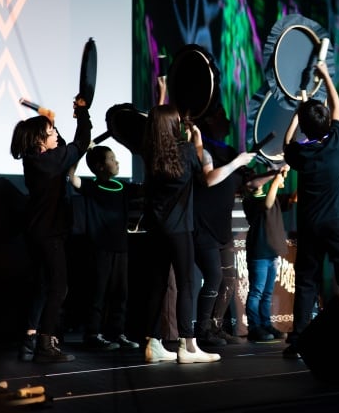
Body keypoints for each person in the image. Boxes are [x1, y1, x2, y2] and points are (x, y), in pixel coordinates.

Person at [282, 58, 339, 359]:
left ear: (305, 127)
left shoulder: (301, 154)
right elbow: (337, 105)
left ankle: (298, 340)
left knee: (306, 281)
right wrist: (326, 75)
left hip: (311, 225)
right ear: (328, 123)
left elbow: (287, 143)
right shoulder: (337, 141)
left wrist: (297, 114)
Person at [140, 104, 230, 364]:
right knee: (186, 284)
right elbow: (204, 179)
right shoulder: (187, 151)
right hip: (179, 230)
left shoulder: (150, 152)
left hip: (155, 229)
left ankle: (152, 344)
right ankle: (187, 345)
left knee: (158, 285)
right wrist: (197, 143)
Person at [10, 95, 92, 363]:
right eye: (51, 132)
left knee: (44, 286)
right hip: (49, 233)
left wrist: (52, 122)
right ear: (39, 141)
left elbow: (65, 148)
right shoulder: (48, 162)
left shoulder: (38, 160)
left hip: (37, 231)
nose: (55, 134)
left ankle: (29, 340)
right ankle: (45, 344)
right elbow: (79, 144)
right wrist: (82, 113)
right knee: (59, 287)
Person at [193, 105, 257, 348]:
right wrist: (237, 162)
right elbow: (209, 179)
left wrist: (273, 172)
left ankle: (216, 327)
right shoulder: (204, 150)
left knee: (229, 279)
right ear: (210, 120)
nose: (228, 120)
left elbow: (248, 185)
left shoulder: (228, 151)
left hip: (222, 228)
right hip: (203, 225)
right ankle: (202, 330)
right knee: (213, 277)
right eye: (221, 116)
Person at [68, 145, 141, 351]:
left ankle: (117, 333)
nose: (116, 162)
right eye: (111, 158)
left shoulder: (122, 187)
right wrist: (81, 150)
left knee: (121, 294)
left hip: (121, 248)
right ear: (100, 166)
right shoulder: (92, 187)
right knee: (98, 293)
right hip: (99, 248)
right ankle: (92, 334)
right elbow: (71, 177)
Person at [242, 164, 293, 342]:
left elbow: (292, 198)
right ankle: (254, 327)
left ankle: (266, 324)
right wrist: (276, 179)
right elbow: (267, 203)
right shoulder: (250, 200)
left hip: (272, 252)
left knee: (267, 293)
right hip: (259, 252)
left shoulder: (273, 196)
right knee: (256, 292)